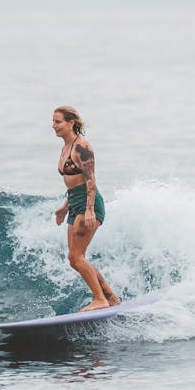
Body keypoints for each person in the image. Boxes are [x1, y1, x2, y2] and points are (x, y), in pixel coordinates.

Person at [53, 105, 120, 311]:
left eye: (58, 122)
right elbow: (74, 182)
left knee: (76, 257)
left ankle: (99, 299)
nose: (54, 126)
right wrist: (65, 207)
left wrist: (89, 210)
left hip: (88, 204)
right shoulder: (66, 147)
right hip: (75, 203)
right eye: (53, 122)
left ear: (71, 123)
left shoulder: (82, 147)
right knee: (75, 259)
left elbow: (90, 181)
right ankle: (110, 297)